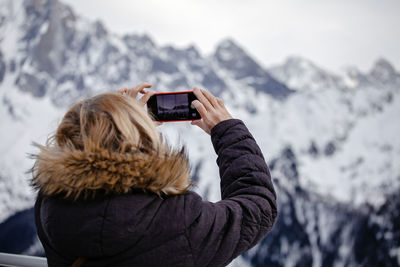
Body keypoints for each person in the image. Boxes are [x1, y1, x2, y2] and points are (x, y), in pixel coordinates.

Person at [31, 83, 278, 267]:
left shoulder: (51, 203)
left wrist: (121, 120)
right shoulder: (176, 220)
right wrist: (228, 130)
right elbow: (257, 208)